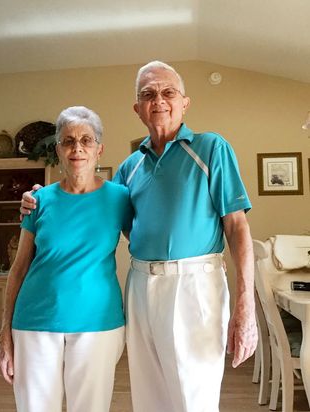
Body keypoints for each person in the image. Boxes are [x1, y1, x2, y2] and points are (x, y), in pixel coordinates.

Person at [21, 61, 258, 412]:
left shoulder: (210, 148)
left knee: (194, 399)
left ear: (184, 102)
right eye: (148, 94)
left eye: (167, 92)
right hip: (141, 286)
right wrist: (39, 197)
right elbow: (97, 208)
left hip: (195, 285)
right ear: (137, 109)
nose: (158, 100)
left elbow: (237, 227)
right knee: (149, 398)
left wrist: (245, 307)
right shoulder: (130, 167)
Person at [0, 106, 132, 412]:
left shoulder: (120, 198)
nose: (77, 148)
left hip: (98, 325)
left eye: (86, 139)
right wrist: (4, 333)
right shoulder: (38, 201)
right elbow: (18, 270)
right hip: (33, 324)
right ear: (58, 149)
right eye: (68, 141)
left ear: (100, 149)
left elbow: (147, 240)